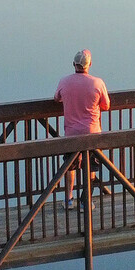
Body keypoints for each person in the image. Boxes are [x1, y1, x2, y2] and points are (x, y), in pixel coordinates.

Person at [54, 49, 110, 209]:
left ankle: (69, 199)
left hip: (71, 132)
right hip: (92, 132)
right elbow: (106, 105)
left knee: (70, 165)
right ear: (89, 65)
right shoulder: (97, 83)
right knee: (90, 166)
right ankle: (85, 201)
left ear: (74, 64)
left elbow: (56, 98)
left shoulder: (64, 81)